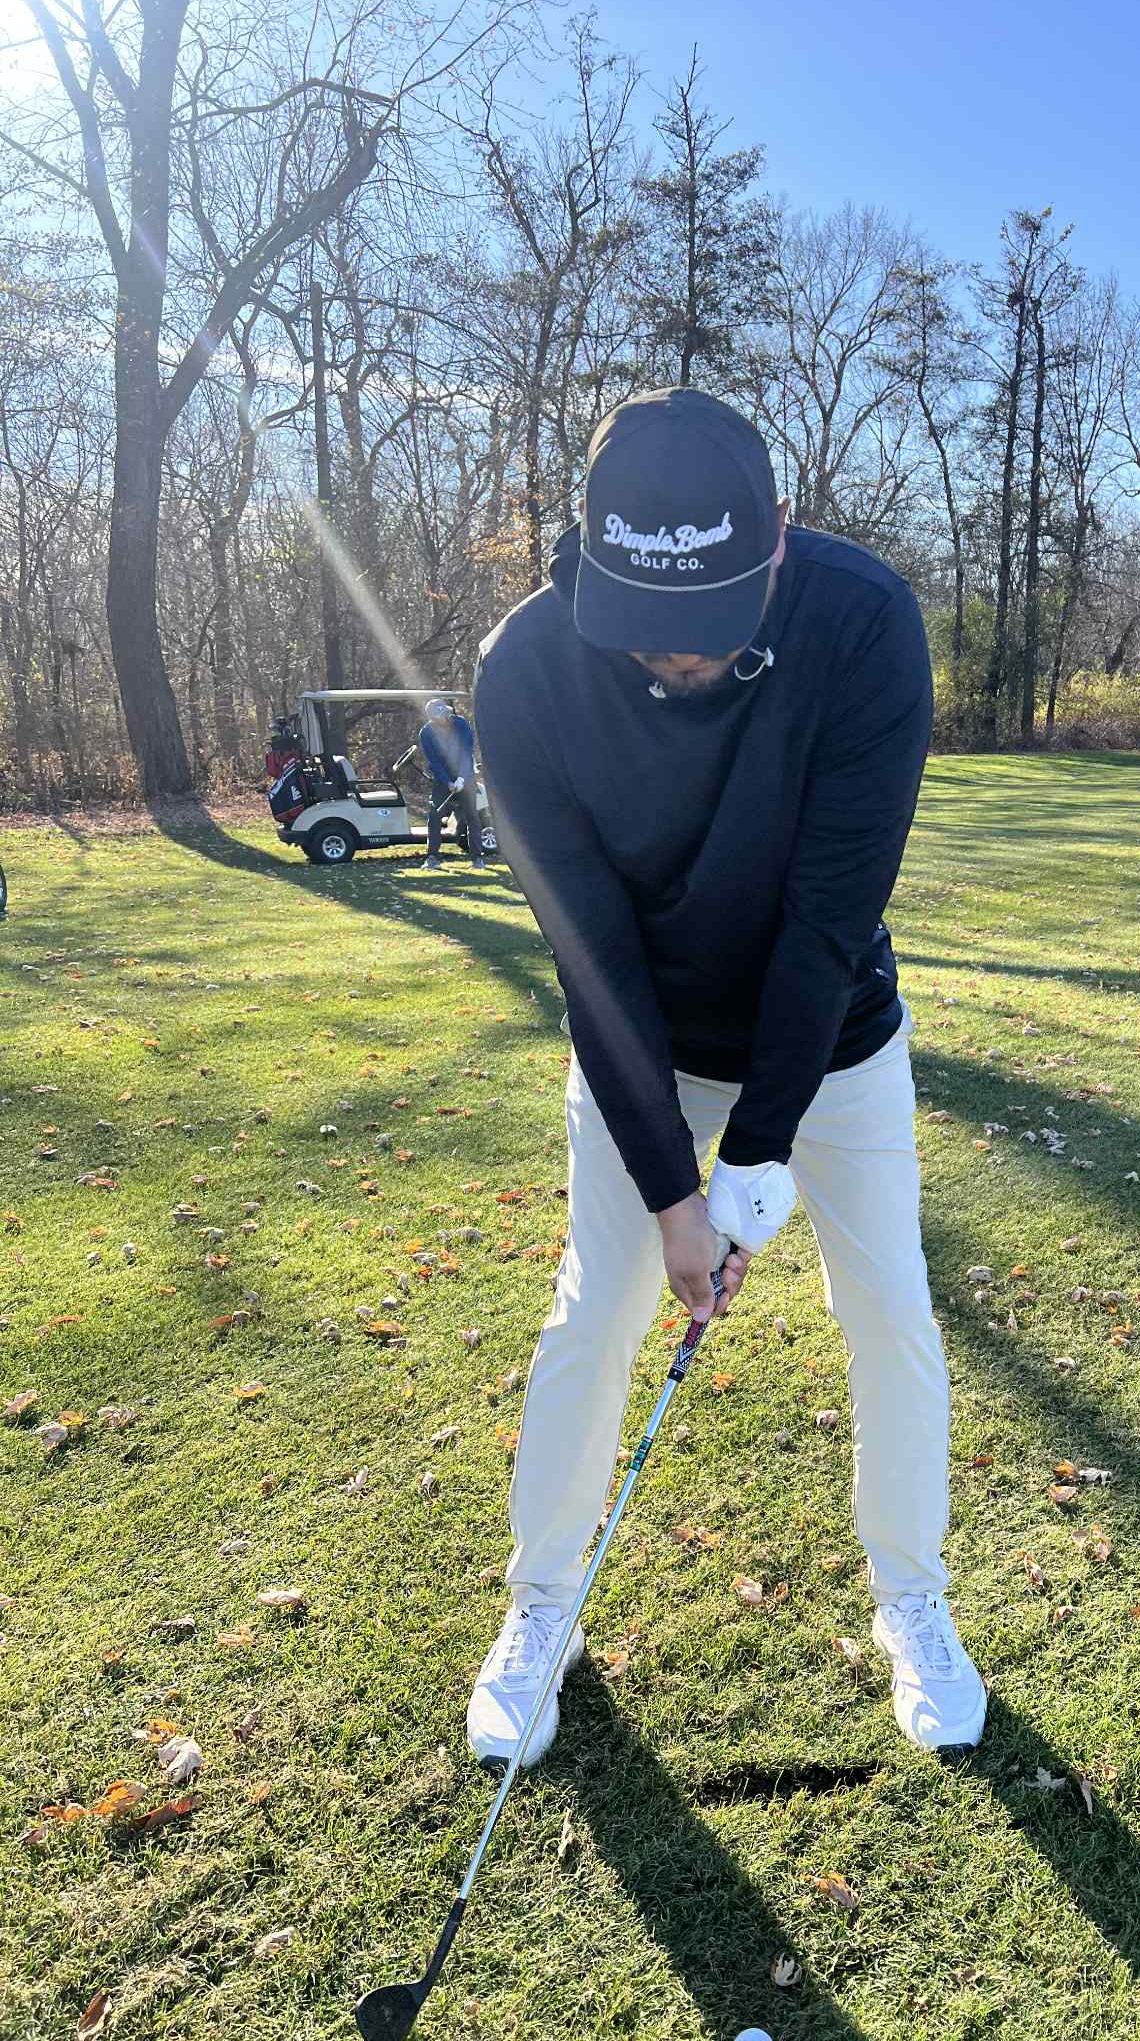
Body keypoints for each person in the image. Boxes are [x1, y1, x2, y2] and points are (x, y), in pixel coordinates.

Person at [469, 387, 985, 1767]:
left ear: (777, 546)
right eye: (646, 629)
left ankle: (913, 1603)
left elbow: (831, 917)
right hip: (642, 1043)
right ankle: (540, 1611)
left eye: (711, 624)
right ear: (585, 558)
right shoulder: (522, 673)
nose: (679, 662)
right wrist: (670, 1191)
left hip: (834, 1038)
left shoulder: (865, 626)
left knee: (892, 1309)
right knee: (598, 1309)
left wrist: (753, 1163)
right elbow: (592, 959)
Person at [417, 696, 486, 868]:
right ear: (433, 718)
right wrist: (448, 781)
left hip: (466, 776)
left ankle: (477, 858)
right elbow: (434, 761)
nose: (447, 717)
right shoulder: (426, 733)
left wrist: (462, 777)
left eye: (446, 712)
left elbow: (466, 751)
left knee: (472, 816)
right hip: (443, 780)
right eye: (442, 715)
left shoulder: (461, 724)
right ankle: (432, 857)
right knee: (434, 815)